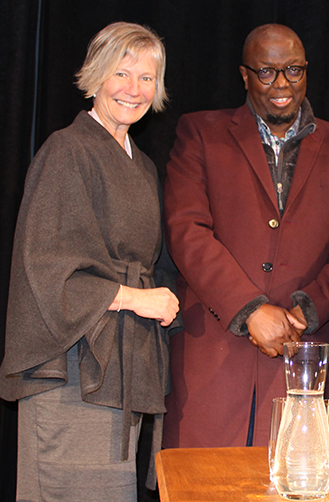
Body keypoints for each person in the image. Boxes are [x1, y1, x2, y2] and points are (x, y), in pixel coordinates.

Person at [162, 23, 329, 448]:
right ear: (245, 75)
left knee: (294, 478)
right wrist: (251, 310)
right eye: (267, 72)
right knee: (203, 481)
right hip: (213, 362)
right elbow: (186, 231)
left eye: (293, 70)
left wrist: (306, 311)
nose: (282, 84)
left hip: (301, 358)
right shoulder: (199, 133)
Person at [0, 22, 179, 501]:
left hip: (120, 368)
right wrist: (134, 298)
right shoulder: (66, 150)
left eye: (147, 78)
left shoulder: (142, 165)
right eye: (122, 73)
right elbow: (45, 266)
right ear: (96, 75)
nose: (133, 89)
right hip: (72, 367)